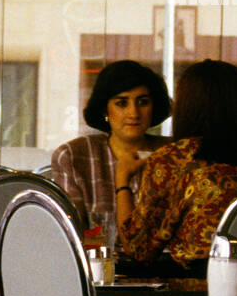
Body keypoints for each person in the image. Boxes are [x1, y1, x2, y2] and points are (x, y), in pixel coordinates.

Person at [116, 59, 237, 276]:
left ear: (186, 105)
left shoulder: (175, 159)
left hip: (199, 293)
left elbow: (138, 248)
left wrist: (122, 180)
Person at [51, 60, 171, 231]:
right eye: (122, 103)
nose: (134, 113)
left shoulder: (172, 153)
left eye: (143, 102)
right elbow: (71, 235)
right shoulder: (73, 156)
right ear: (104, 110)